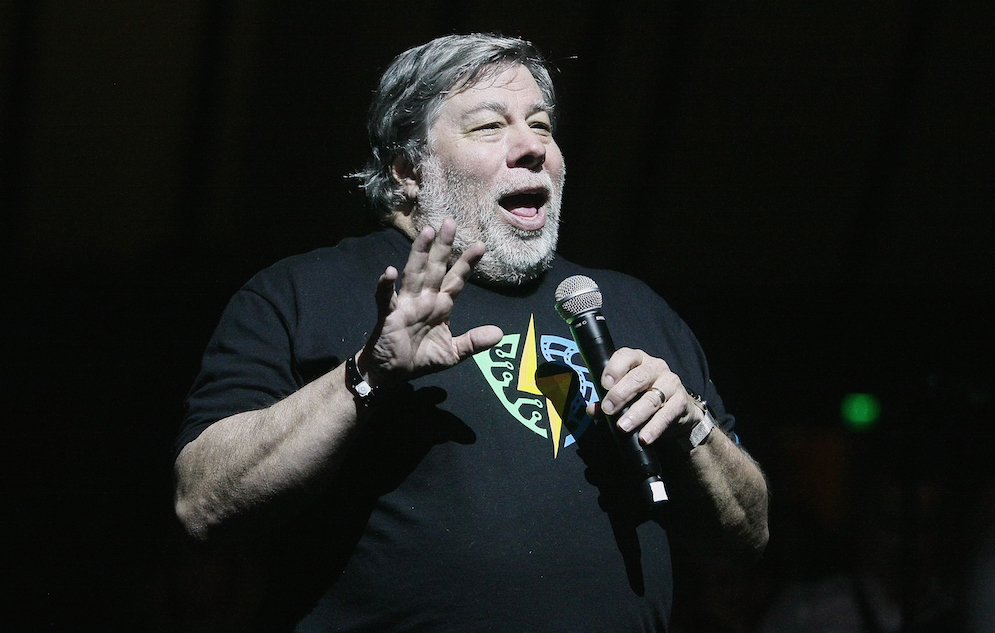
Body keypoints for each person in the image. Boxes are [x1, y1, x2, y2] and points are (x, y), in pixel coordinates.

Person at [174, 33, 769, 631]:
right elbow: (202, 502)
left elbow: (748, 533)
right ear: (408, 168)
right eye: (490, 126)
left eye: (541, 124)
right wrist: (366, 376)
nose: (532, 147)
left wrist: (693, 429)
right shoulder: (302, 294)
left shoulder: (632, 307)